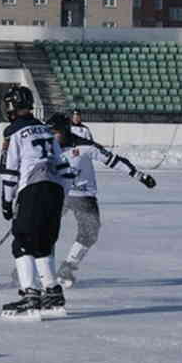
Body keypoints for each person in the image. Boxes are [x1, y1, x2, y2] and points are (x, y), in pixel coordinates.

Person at [45, 113, 156, 287]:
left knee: (90, 232)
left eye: (55, 133)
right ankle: (40, 268)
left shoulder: (86, 146)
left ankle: (68, 267)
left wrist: (139, 175)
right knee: (45, 231)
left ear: (65, 131)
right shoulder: (48, 148)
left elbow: (113, 160)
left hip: (83, 195)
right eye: (49, 133)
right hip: (58, 194)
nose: (51, 137)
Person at [0, 87, 71, 319]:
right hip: (55, 190)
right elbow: (63, 166)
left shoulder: (13, 133)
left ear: (11, 106)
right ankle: (52, 291)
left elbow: (9, 171)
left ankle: (30, 294)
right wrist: (62, 195)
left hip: (33, 189)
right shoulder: (47, 130)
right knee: (43, 243)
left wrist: (7, 202)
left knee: (22, 243)